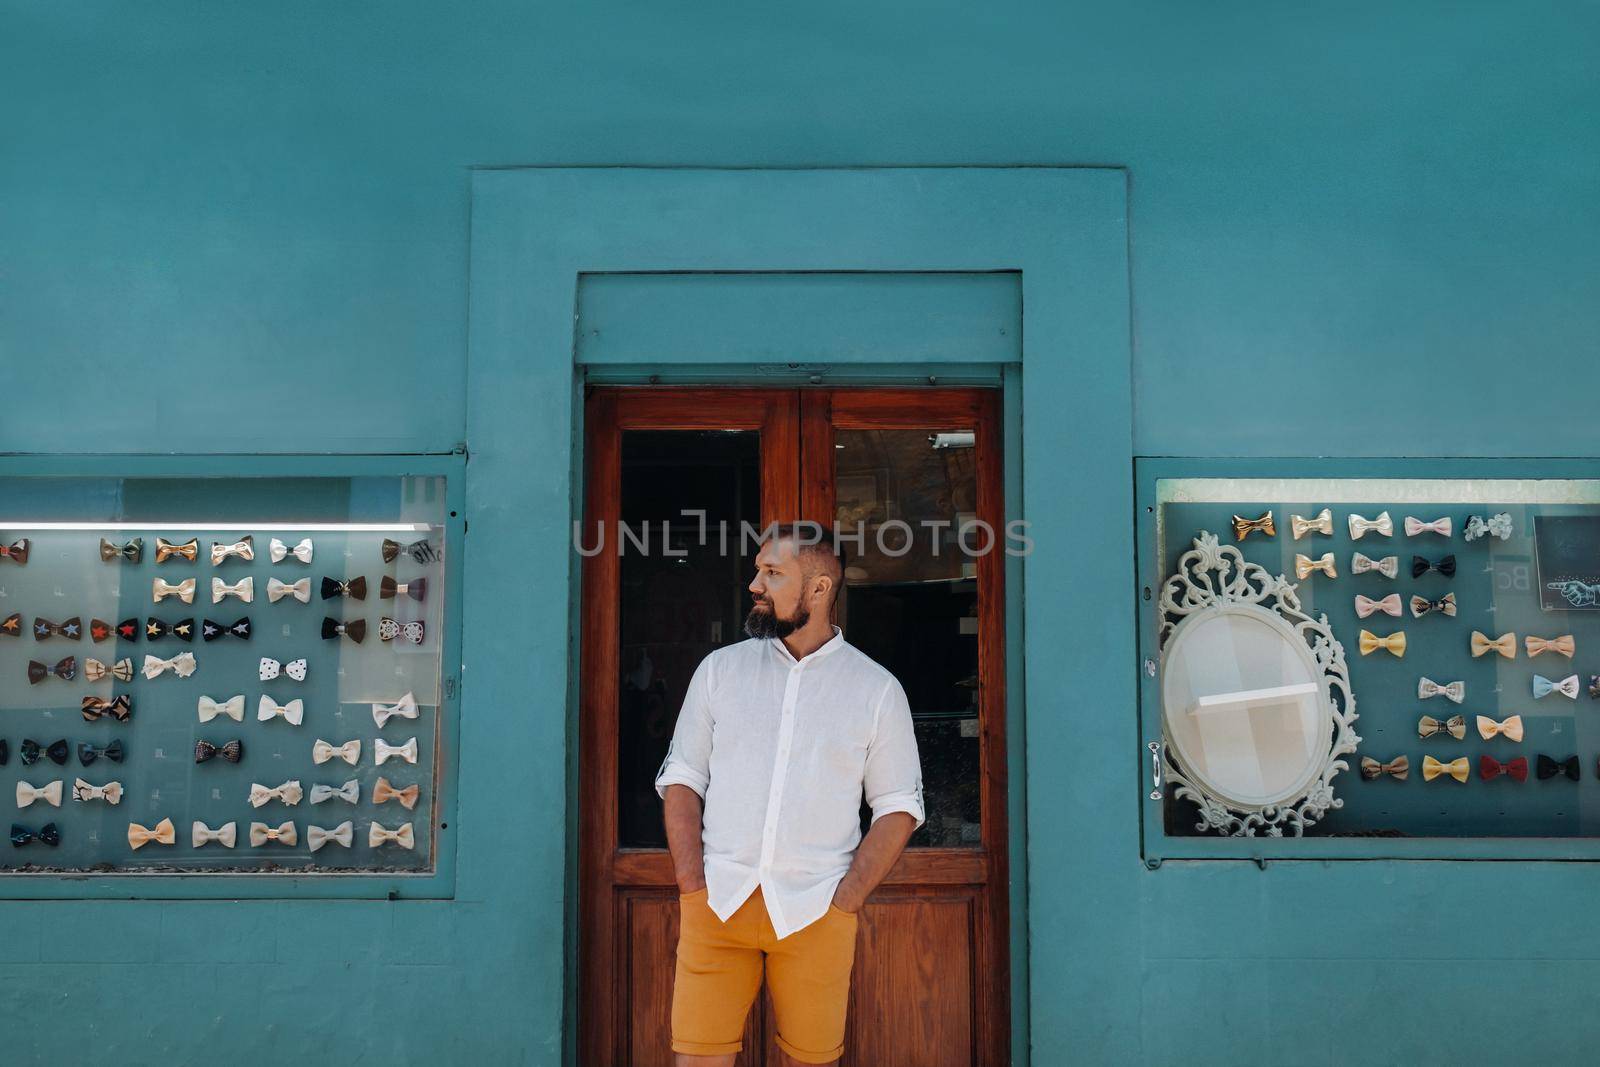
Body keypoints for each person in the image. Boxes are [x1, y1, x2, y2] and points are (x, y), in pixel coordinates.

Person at [654, 523, 925, 1066]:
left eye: (773, 573)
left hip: (814, 913)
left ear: (819, 589)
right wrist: (691, 885)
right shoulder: (719, 671)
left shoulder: (876, 690)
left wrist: (843, 902)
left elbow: (899, 808)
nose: (755, 583)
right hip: (719, 905)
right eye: (759, 569)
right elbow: (682, 777)